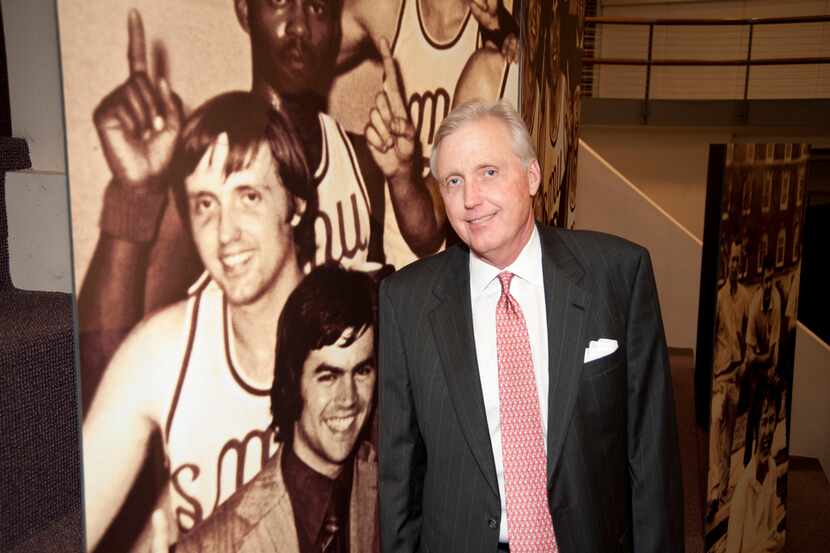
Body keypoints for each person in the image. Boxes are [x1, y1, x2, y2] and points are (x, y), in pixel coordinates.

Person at [78, 0, 441, 408]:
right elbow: (105, 375)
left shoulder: (363, 159)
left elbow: (426, 246)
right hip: (240, 453)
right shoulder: (211, 174)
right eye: (280, 2)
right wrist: (134, 194)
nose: (299, 26)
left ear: (335, 31)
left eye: (318, 8)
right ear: (244, 11)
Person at [378, 100, 683, 553]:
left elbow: (651, 454)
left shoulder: (618, 275)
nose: (471, 199)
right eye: (454, 181)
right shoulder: (406, 301)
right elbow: (399, 472)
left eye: (489, 172)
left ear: (533, 176)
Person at [82, 92, 316, 550]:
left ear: (296, 203)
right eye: (206, 204)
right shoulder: (162, 350)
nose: (226, 234)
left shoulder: (361, 338)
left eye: (248, 196)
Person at [175, 264, 379, 553]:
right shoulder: (218, 545)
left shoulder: (394, 488)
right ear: (293, 380)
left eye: (361, 371)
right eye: (328, 376)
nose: (348, 398)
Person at [340, 0, 520, 267]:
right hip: (402, 251)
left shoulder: (494, 38)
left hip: (462, 262)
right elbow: (304, 47)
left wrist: (501, 30)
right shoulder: (384, 10)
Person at [707, 238, 751, 520]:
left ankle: (723, 491)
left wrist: (745, 364)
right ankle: (713, 491)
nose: (734, 265)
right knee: (714, 425)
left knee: (728, 437)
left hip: (736, 376)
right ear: (728, 264)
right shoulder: (720, 298)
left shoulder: (745, 297)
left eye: (737, 261)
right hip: (720, 378)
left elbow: (746, 335)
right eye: (731, 261)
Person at [724, 387, 785, 553]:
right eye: (763, 422)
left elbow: (771, 533)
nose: (768, 431)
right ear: (755, 427)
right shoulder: (743, 493)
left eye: (772, 420)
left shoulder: (771, 469)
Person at [743, 255, 782, 465]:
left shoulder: (776, 299)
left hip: (767, 362)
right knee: (753, 410)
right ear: (761, 282)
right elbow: (749, 356)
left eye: (772, 280)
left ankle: (769, 452)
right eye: (766, 281)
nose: (769, 285)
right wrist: (760, 359)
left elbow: (774, 349)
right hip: (756, 365)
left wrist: (769, 366)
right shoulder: (754, 305)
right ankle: (748, 459)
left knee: (774, 400)